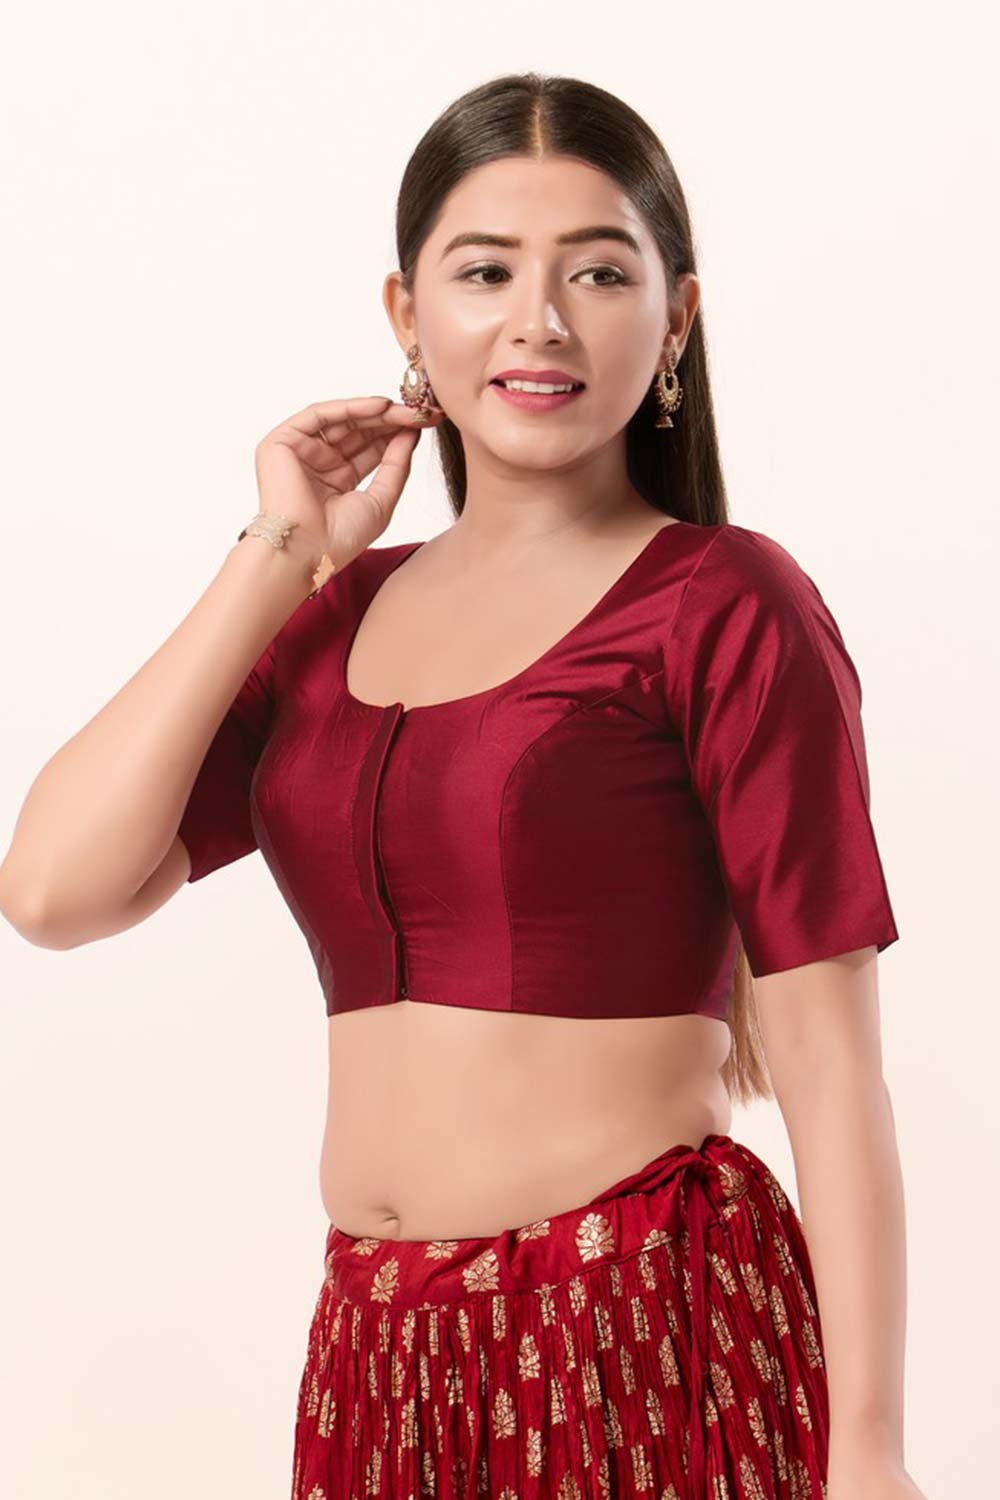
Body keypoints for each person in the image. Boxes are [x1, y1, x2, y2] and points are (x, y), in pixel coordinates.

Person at [0, 72, 927, 1500]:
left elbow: (828, 1062)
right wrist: (277, 557)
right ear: (406, 314)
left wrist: (865, 1449)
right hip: (378, 1356)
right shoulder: (327, 619)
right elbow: (55, 892)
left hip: (637, 1326)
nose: (538, 320)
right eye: (486, 271)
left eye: (599, 272)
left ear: (677, 317)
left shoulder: (722, 603)